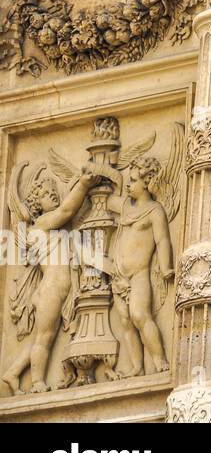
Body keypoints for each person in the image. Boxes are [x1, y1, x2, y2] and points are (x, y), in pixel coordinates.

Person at [1, 163, 104, 395]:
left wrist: (78, 181)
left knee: (42, 337)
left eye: (55, 193)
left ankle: (13, 373)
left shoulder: (54, 228)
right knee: (44, 338)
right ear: (38, 206)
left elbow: (68, 209)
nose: (54, 196)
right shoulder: (43, 224)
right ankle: (37, 382)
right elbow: (67, 210)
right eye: (48, 195)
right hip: (50, 291)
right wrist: (84, 185)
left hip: (59, 291)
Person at [104, 157, 174, 378]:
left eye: (133, 180)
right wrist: (102, 171)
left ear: (147, 182)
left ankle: (159, 359)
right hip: (118, 275)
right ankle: (137, 366)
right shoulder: (124, 206)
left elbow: (162, 240)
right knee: (125, 320)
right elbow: (106, 200)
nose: (128, 184)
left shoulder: (155, 211)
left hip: (139, 274)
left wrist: (166, 267)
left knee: (139, 314)